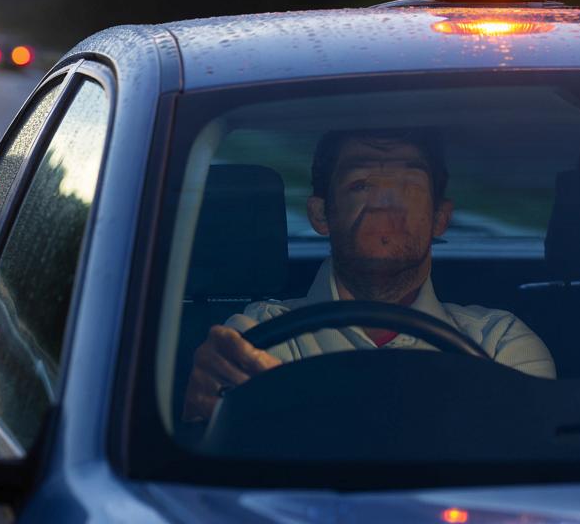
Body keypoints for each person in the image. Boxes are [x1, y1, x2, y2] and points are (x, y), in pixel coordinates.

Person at [182, 129, 555, 422]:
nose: (384, 203)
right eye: (361, 185)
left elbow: (525, 479)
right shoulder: (258, 336)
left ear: (441, 216)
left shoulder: (501, 343)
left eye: (407, 187)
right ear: (320, 215)